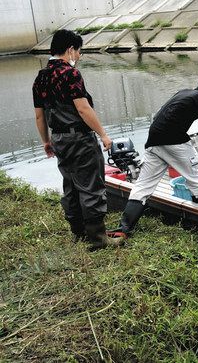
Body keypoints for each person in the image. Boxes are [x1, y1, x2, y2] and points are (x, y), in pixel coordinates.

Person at [109, 70, 198, 238]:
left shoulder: (184, 92)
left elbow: (158, 114)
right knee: (196, 182)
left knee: (143, 186)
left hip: (154, 139)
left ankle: (123, 229)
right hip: (174, 140)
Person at [32, 29, 123, 250]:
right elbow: (83, 109)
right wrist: (103, 134)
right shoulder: (70, 74)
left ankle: (78, 231)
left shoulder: (41, 77)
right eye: (79, 51)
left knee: (71, 184)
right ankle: (98, 237)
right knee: (91, 184)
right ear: (71, 50)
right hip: (80, 139)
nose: (79, 56)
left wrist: (46, 141)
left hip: (60, 139)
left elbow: (39, 115)